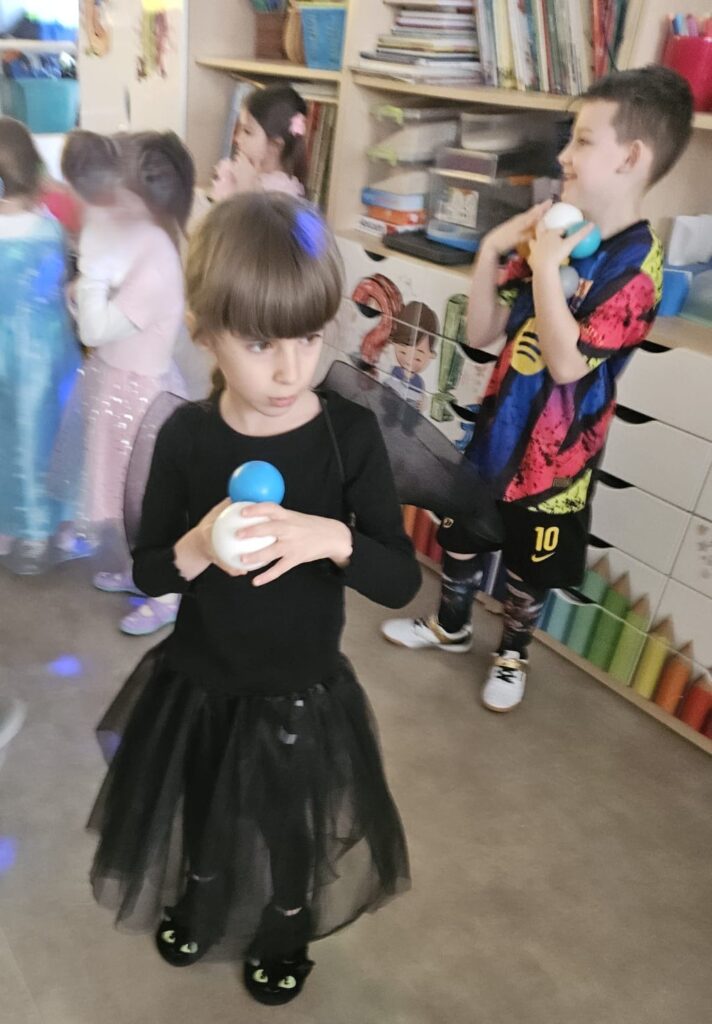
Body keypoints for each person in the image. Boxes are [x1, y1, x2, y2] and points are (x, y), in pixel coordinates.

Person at [87, 193, 420, 1005]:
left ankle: (286, 920)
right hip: (200, 678)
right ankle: (202, 893)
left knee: (287, 818)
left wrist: (331, 537)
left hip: (300, 684)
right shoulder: (187, 437)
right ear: (203, 331)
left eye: (309, 337)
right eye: (261, 342)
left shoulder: (347, 437)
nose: (290, 370)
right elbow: (152, 573)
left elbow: (401, 579)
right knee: (203, 805)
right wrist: (198, 546)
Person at [382, 66, 694, 713]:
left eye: (583, 140)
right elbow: (486, 328)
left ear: (631, 157)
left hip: (556, 466)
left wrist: (548, 265)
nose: (564, 156)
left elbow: (568, 364)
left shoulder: (639, 268)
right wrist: (494, 247)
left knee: (532, 565)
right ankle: (451, 625)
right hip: (497, 434)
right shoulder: (556, 229)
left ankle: (513, 653)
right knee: (462, 535)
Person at [51, 128, 194, 635]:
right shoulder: (137, 243)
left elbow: (95, 327)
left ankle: (167, 593)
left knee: (149, 504)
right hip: (116, 387)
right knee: (122, 497)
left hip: (141, 401)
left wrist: (88, 275)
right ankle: (141, 572)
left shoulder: (155, 261)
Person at [0, 117, 81, 575]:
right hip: (46, 351)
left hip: (5, 352)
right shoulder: (48, 228)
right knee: (46, 436)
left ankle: (11, 525)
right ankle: (47, 525)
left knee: (8, 438)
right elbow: (59, 283)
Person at [211, 83, 307, 202]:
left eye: (247, 131)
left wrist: (246, 188)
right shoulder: (234, 175)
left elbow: (254, 213)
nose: (237, 139)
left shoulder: (283, 196)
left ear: (275, 145)